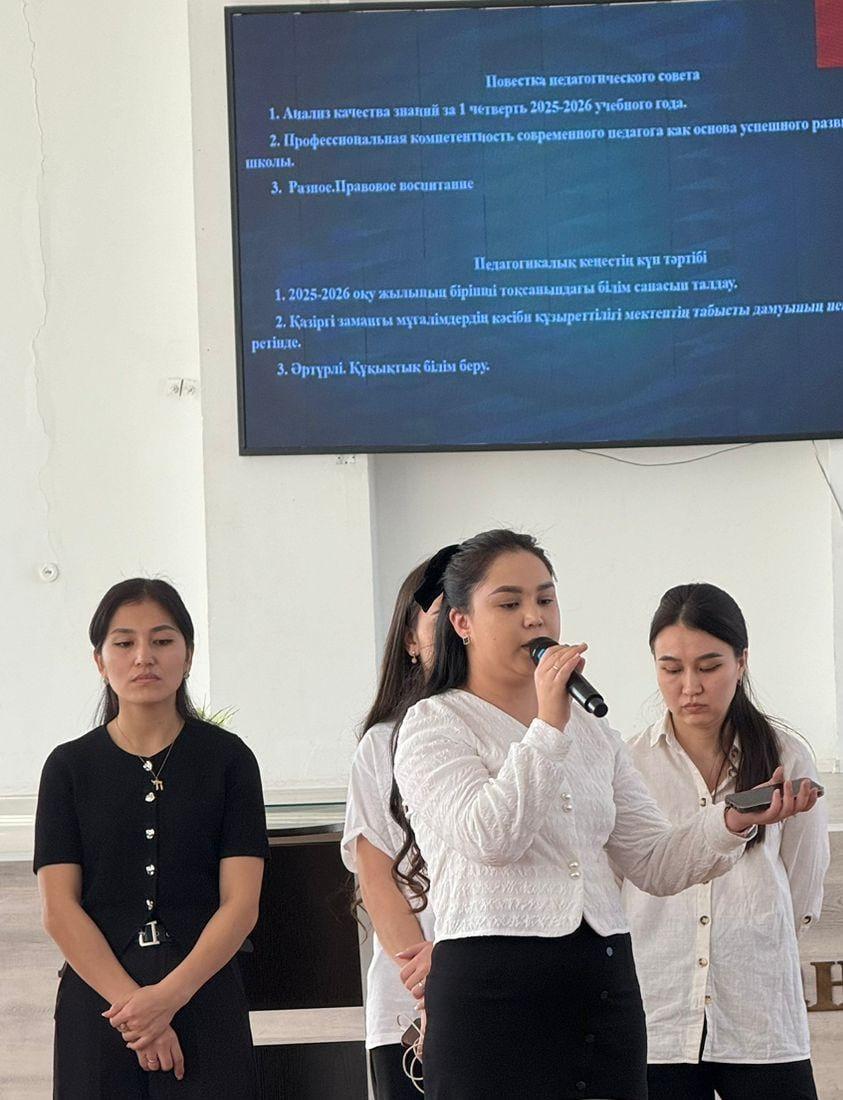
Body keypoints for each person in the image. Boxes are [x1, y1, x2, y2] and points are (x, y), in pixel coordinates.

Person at [392, 530, 819, 1100]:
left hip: (604, 984)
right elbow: (490, 836)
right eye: (509, 603)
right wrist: (549, 725)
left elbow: (654, 861)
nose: (534, 617)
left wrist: (732, 821)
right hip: (492, 992)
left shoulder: (593, 732)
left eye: (545, 599)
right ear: (462, 622)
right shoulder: (433, 725)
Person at [34, 578, 269, 1099]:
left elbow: (241, 903)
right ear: (100, 661)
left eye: (162, 640)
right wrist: (137, 1011)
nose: (144, 656)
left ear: (188, 654)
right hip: (98, 1001)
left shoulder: (229, 760)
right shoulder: (69, 767)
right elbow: (59, 909)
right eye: (124, 643)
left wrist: (168, 998)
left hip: (203, 992)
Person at [620, 583, 830, 1100]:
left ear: (741, 661)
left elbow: (801, 888)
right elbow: (614, 885)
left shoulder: (786, 757)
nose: (690, 686)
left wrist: (755, 947)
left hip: (760, 1019)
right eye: (671, 669)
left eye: (709, 666)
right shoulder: (629, 763)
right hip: (658, 1016)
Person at [342, 549, 455, 1098]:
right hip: (408, 1004)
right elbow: (377, 880)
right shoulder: (382, 744)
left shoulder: (530, 735)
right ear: (410, 637)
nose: (458, 629)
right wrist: (431, 984)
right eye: (442, 615)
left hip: (503, 994)